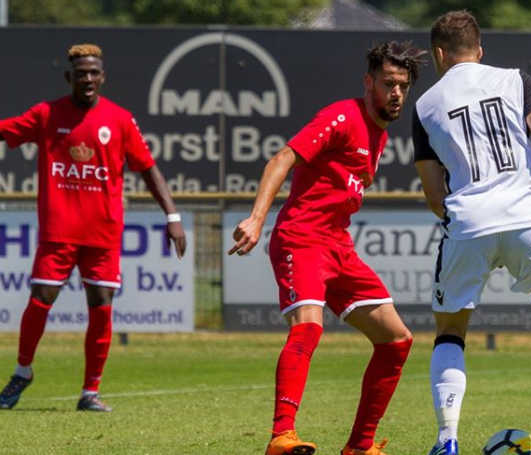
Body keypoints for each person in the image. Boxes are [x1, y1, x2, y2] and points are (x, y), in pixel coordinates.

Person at [228, 40, 426, 455]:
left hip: (338, 246)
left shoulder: (379, 136)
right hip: (300, 239)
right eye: (388, 83)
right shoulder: (342, 115)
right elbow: (282, 158)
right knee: (308, 327)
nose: (396, 93)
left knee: (397, 340)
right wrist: (257, 218)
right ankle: (282, 436)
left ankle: (360, 446)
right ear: (368, 82)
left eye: (403, 86)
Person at [412, 10, 531, 455]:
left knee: (450, 331)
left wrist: (459, 222)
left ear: (439, 53)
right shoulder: (517, 80)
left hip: (468, 221)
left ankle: (447, 439)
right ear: (479, 49)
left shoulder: (424, 105)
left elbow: (435, 194)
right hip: (526, 214)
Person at [0, 44, 187, 412]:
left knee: (101, 306)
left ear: (102, 77)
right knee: (40, 300)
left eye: (94, 72)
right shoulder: (46, 114)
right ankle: (22, 371)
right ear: (69, 76)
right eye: (81, 72)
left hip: (103, 235)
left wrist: (173, 216)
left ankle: (90, 392)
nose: (87, 78)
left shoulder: (119, 119)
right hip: (58, 233)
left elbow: (148, 169)